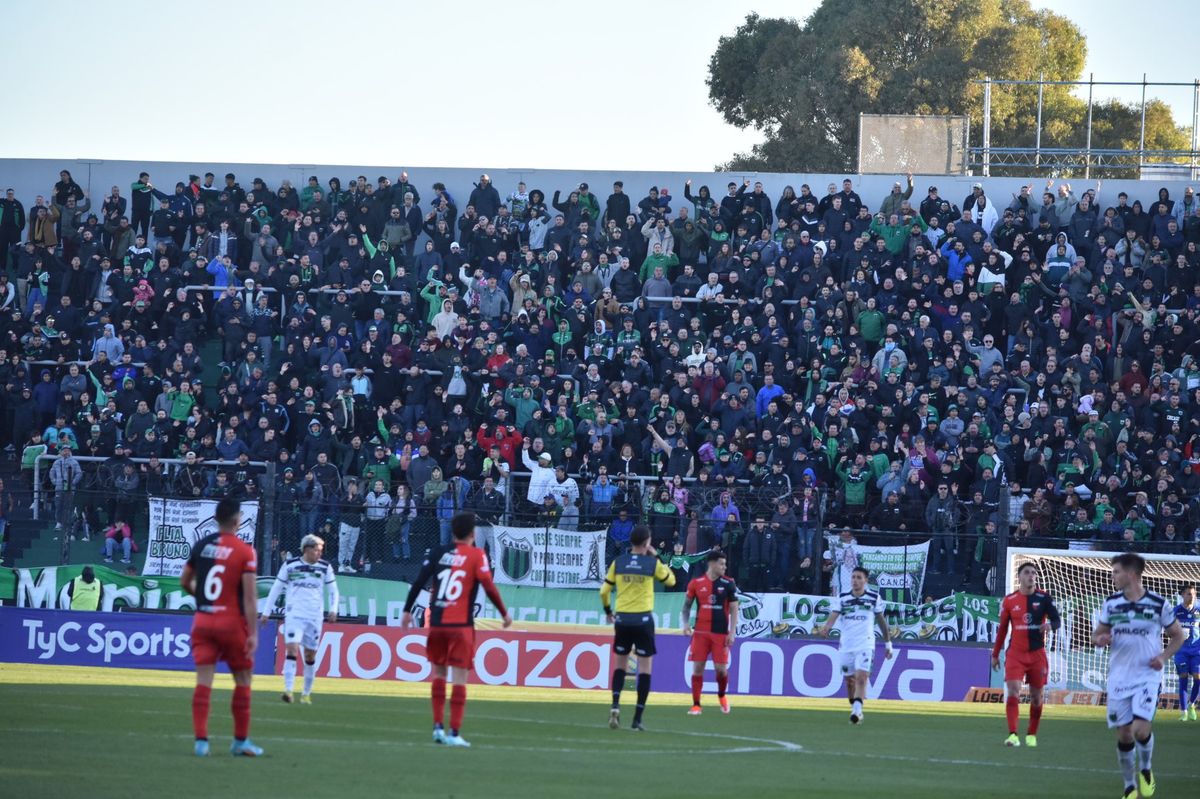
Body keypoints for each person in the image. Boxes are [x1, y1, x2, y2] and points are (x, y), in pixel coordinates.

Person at [401, 511, 512, 747]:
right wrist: (504, 613)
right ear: (473, 534)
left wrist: (407, 610)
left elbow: (420, 581)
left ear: (452, 532)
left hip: (438, 623)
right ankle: (454, 733)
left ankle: (438, 727)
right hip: (461, 625)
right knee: (460, 679)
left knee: (439, 675)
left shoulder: (438, 552)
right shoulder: (476, 555)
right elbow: (489, 587)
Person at [1091, 553, 1186, 799]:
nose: (1113, 576)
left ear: (1132, 574)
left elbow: (1178, 635)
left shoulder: (1158, 603)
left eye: (1116, 572)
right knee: (1124, 734)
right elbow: (1096, 635)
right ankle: (1129, 785)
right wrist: (1100, 639)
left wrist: (1163, 658)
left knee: (1140, 731)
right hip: (1119, 678)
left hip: (1147, 676)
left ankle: (1145, 768)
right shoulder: (1111, 603)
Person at [180, 497, 262, 757]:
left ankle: (201, 742)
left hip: (202, 621)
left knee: (204, 681)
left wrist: (203, 600)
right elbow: (249, 597)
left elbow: (184, 581)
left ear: (216, 519)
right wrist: (254, 633)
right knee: (243, 680)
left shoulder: (201, 545)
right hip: (231, 623)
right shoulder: (244, 551)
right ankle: (240, 741)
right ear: (237, 520)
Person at [600, 524, 676, 731]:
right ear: (646, 542)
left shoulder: (619, 562)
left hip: (622, 620)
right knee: (644, 669)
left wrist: (608, 612)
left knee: (619, 667)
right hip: (643, 620)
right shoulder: (651, 563)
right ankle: (637, 718)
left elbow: (604, 591)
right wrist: (656, 556)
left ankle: (615, 705)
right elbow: (671, 581)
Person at [260, 534, 339, 705]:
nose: (319, 553)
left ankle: (306, 693)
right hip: (294, 614)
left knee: (310, 655)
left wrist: (333, 610)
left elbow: (333, 591)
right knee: (292, 650)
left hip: (314, 616)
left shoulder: (325, 567)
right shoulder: (290, 565)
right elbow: (276, 588)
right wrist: (266, 612)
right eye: (317, 550)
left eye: (321, 550)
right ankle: (288, 691)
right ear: (307, 549)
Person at [991, 562, 1060, 747]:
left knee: (1036, 697)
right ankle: (1013, 734)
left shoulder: (1044, 598)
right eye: (1027, 573)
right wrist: (995, 654)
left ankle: (1031, 734)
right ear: (1019, 577)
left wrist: (1049, 626)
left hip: (1037, 655)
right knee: (1013, 691)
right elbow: (1003, 630)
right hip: (1015, 654)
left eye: (1034, 573)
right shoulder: (1010, 600)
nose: (1031, 576)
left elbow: (1057, 620)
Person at [818, 566, 892, 725]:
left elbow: (881, 622)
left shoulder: (874, 598)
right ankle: (854, 703)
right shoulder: (843, 597)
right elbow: (834, 615)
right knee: (849, 681)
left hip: (865, 644)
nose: (855, 580)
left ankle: (857, 711)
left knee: (861, 677)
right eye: (853, 577)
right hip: (846, 645)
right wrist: (826, 628)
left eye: (859, 577)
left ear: (865, 581)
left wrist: (888, 644)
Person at [681, 550, 739, 715]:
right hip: (700, 633)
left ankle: (721, 696)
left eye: (725, 564)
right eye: (721, 563)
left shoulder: (729, 583)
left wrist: (732, 632)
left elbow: (734, 609)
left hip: (720, 634)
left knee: (721, 669)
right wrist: (685, 624)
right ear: (711, 564)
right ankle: (696, 705)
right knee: (697, 668)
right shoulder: (696, 583)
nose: (724, 567)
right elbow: (686, 607)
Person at [1173, 582, 1200, 721]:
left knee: (1198, 677)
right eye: (1189, 593)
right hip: (1181, 650)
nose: (1192, 596)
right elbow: (1167, 630)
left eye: (1194, 594)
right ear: (1182, 594)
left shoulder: (1199, 610)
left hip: (1197, 650)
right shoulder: (1176, 611)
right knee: (1183, 677)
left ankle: (1191, 705)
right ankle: (1183, 712)